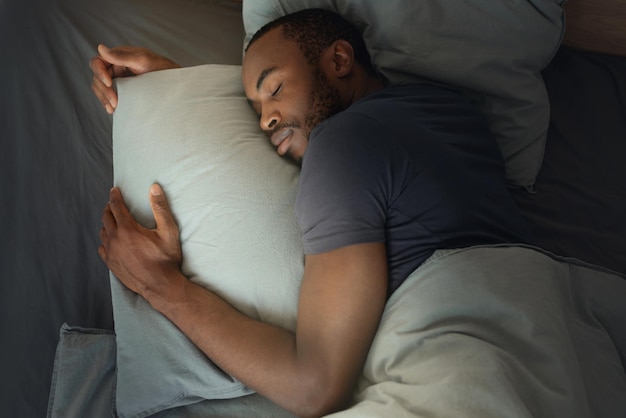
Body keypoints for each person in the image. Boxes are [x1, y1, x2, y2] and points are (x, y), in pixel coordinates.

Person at [92, 8, 531, 417]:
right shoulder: (450, 110)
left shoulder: (340, 145)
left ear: (339, 59)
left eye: (275, 88)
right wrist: (176, 93)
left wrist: (160, 285)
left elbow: (315, 385)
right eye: (255, 109)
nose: (265, 121)